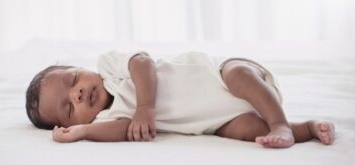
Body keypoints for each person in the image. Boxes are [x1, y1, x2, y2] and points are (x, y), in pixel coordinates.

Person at [25, 51, 335, 148]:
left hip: (223, 78)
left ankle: (279, 121)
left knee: (236, 72)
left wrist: (145, 106)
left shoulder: (110, 69)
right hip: (219, 120)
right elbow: (125, 131)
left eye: (73, 79)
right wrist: (83, 133)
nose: (77, 93)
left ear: (81, 68)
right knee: (246, 130)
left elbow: (142, 62)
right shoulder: (107, 120)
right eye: (69, 108)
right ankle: (305, 128)